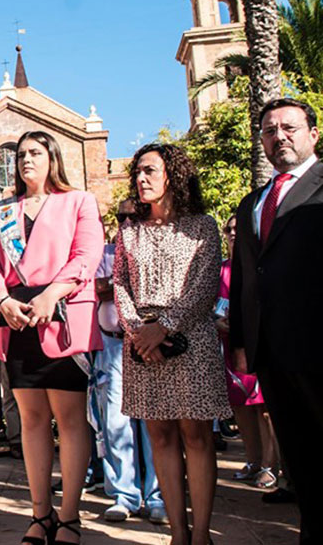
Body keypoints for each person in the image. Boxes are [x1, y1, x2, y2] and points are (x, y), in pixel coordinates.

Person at [0, 131, 103, 545]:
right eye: (20, 155)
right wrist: (1, 300)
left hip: (61, 316)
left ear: (52, 157)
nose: (26, 160)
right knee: (32, 420)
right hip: (16, 320)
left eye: (35, 153)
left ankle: (69, 516)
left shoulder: (78, 201)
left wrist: (53, 293)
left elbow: (86, 255)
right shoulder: (2, 212)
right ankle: (40, 514)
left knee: (69, 420)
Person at [114, 143, 229, 545]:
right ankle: (178, 534)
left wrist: (163, 326)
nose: (141, 179)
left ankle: (201, 535)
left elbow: (204, 287)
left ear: (172, 176)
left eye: (149, 171)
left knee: (196, 437)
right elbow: (120, 285)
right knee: (159, 436)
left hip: (191, 341)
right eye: (138, 173)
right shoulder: (129, 232)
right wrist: (138, 332)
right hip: (143, 348)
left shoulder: (203, 226)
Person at [229, 97, 323, 544]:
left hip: (317, 345)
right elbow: (248, 277)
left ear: (313, 134)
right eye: (269, 130)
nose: (278, 136)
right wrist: (244, 344)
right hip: (273, 353)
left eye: (289, 127)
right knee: (301, 457)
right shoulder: (254, 201)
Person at [90, 218, 165, 525]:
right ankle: (124, 495)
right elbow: (96, 289)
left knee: (154, 423)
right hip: (113, 344)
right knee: (116, 422)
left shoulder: (155, 251)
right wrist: (122, 284)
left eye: (135, 216)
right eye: (122, 218)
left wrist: (116, 285)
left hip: (150, 345)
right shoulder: (103, 253)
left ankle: (158, 496)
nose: (127, 223)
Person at [216, 215, 279, 490]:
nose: (232, 234)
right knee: (240, 407)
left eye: (236, 229)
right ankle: (253, 460)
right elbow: (210, 305)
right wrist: (217, 321)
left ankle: (270, 465)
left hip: (256, 345)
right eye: (228, 229)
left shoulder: (257, 266)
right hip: (228, 347)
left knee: (264, 409)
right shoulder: (220, 270)